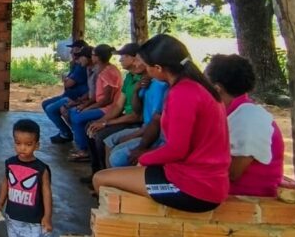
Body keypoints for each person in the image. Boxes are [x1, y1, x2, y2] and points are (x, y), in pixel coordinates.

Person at [93, 34, 230, 212]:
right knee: (116, 174)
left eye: (146, 65)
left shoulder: (183, 93)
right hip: (194, 175)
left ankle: (117, 235)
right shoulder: (198, 87)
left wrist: (143, 158)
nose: (141, 67)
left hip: (194, 186)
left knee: (101, 179)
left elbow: (177, 149)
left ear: (157, 68)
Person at [205, 54, 285, 197]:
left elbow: (232, 173)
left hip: (248, 196)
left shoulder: (249, 118)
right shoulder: (235, 112)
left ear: (217, 89)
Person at [84, 43, 144, 176]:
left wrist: (105, 123)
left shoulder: (144, 81)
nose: (120, 59)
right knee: (91, 127)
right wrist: (101, 121)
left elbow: (136, 115)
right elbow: (118, 106)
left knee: (101, 136)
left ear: (135, 59)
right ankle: (96, 173)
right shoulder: (129, 77)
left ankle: (105, 175)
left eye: (124, 56)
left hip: (136, 122)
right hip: (126, 117)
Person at [67, 44, 122, 161]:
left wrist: (89, 108)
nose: (91, 57)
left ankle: (84, 150)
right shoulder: (101, 70)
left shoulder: (109, 72)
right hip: (101, 105)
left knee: (77, 117)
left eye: (93, 55)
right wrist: (86, 104)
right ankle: (82, 145)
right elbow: (96, 95)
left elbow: (107, 99)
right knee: (74, 112)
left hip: (108, 108)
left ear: (97, 57)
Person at [43, 45, 91, 144]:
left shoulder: (83, 68)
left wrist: (78, 102)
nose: (72, 54)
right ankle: (65, 132)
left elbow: (68, 83)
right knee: (46, 104)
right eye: (73, 52)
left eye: (77, 53)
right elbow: (67, 83)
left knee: (51, 108)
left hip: (74, 98)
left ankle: (67, 134)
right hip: (72, 97)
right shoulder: (80, 66)